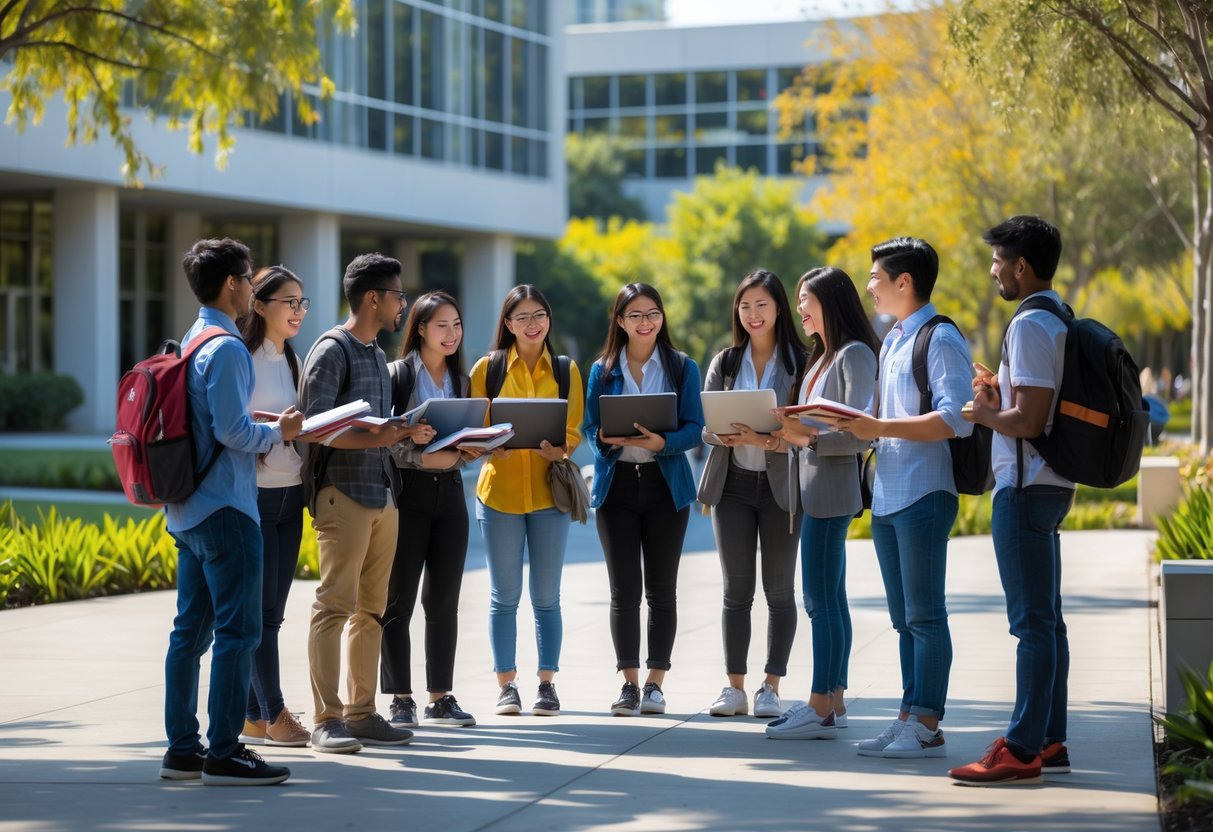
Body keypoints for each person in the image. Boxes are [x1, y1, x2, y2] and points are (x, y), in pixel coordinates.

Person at [159, 238, 303, 786]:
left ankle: (182, 751)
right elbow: (233, 431)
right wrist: (282, 430)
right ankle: (223, 752)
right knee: (238, 632)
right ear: (232, 286)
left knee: (189, 634)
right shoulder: (228, 349)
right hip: (227, 508)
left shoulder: (193, 339)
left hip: (189, 508)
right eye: (247, 278)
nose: (250, 287)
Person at [828, 237, 974, 759]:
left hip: (925, 492)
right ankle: (910, 714)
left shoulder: (940, 338)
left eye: (874, 278)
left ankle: (929, 723)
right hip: (889, 493)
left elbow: (956, 418)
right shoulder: (892, 340)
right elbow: (877, 420)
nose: (868, 286)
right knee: (903, 617)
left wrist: (879, 425)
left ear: (903, 282)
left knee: (926, 615)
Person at [949, 216, 1075, 786]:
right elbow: (1036, 407)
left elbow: (1025, 421)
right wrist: (999, 395)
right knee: (1048, 622)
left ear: (1021, 266)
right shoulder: (1058, 317)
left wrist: (980, 413)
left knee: (1031, 626)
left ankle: (1022, 749)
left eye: (999, 260)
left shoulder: (1028, 325)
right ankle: (1048, 740)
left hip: (1023, 489)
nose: (993, 270)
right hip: (1051, 483)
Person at [299, 253, 430, 753]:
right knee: (334, 605)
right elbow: (317, 430)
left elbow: (374, 430)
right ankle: (326, 719)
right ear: (373, 298)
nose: (403, 304)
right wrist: (382, 435)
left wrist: (402, 431)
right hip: (343, 494)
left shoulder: (376, 352)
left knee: (372, 609)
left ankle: (361, 712)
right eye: (398, 295)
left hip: (381, 493)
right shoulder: (331, 350)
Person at [767, 267, 879, 739]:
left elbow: (860, 432)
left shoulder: (854, 355)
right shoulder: (823, 356)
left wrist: (806, 439)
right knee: (831, 599)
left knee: (819, 601)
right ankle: (832, 698)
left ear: (829, 303)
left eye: (804, 299)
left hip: (831, 494)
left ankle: (819, 707)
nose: (799, 310)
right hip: (815, 491)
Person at [584, 283, 704, 716]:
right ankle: (629, 684)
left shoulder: (681, 367)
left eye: (652, 313)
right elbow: (589, 429)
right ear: (620, 321)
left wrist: (662, 443)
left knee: (661, 590)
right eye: (635, 315)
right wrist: (604, 440)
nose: (645, 322)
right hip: (616, 487)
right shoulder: (603, 370)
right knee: (623, 592)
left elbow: (696, 428)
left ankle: (655, 683)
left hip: (664, 487)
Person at [470, 285, 584, 717]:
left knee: (546, 596)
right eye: (522, 317)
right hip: (498, 495)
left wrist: (562, 448)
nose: (532, 324)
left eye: (539, 315)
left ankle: (546, 685)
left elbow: (573, 428)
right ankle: (506, 685)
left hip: (548, 495)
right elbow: (474, 427)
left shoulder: (564, 369)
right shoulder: (488, 369)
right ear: (508, 324)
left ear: (548, 320)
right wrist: (488, 445)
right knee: (504, 596)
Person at [698, 270, 807, 719]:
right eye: (744, 306)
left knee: (779, 591)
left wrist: (771, 439)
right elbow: (705, 426)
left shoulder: (802, 362)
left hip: (782, 487)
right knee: (736, 591)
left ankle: (771, 686)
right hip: (734, 486)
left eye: (761, 305)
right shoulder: (725, 362)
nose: (752, 314)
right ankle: (735, 688)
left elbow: (808, 430)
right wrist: (720, 435)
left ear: (779, 308)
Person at [381, 291, 480, 728]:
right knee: (398, 600)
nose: (452, 334)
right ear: (420, 328)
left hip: (451, 494)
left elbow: (466, 439)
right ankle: (401, 697)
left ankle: (440, 697)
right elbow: (382, 443)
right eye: (442, 325)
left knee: (444, 601)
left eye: (457, 325)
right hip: (408, 496)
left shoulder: (463, 381)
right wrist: (417, 451)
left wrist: (473, 450)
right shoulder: (396, 376)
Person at [236, 265, 313, 749]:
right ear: (260, 305)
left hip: (293, 493)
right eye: (289, 302)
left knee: (273, 614)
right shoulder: (242, 358)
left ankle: (251, 713)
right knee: (262, 615)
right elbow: (231, 427)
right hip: (256, 496)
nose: (298, 311)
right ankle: (275, 712)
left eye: (302, 303)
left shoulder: (293, 360)